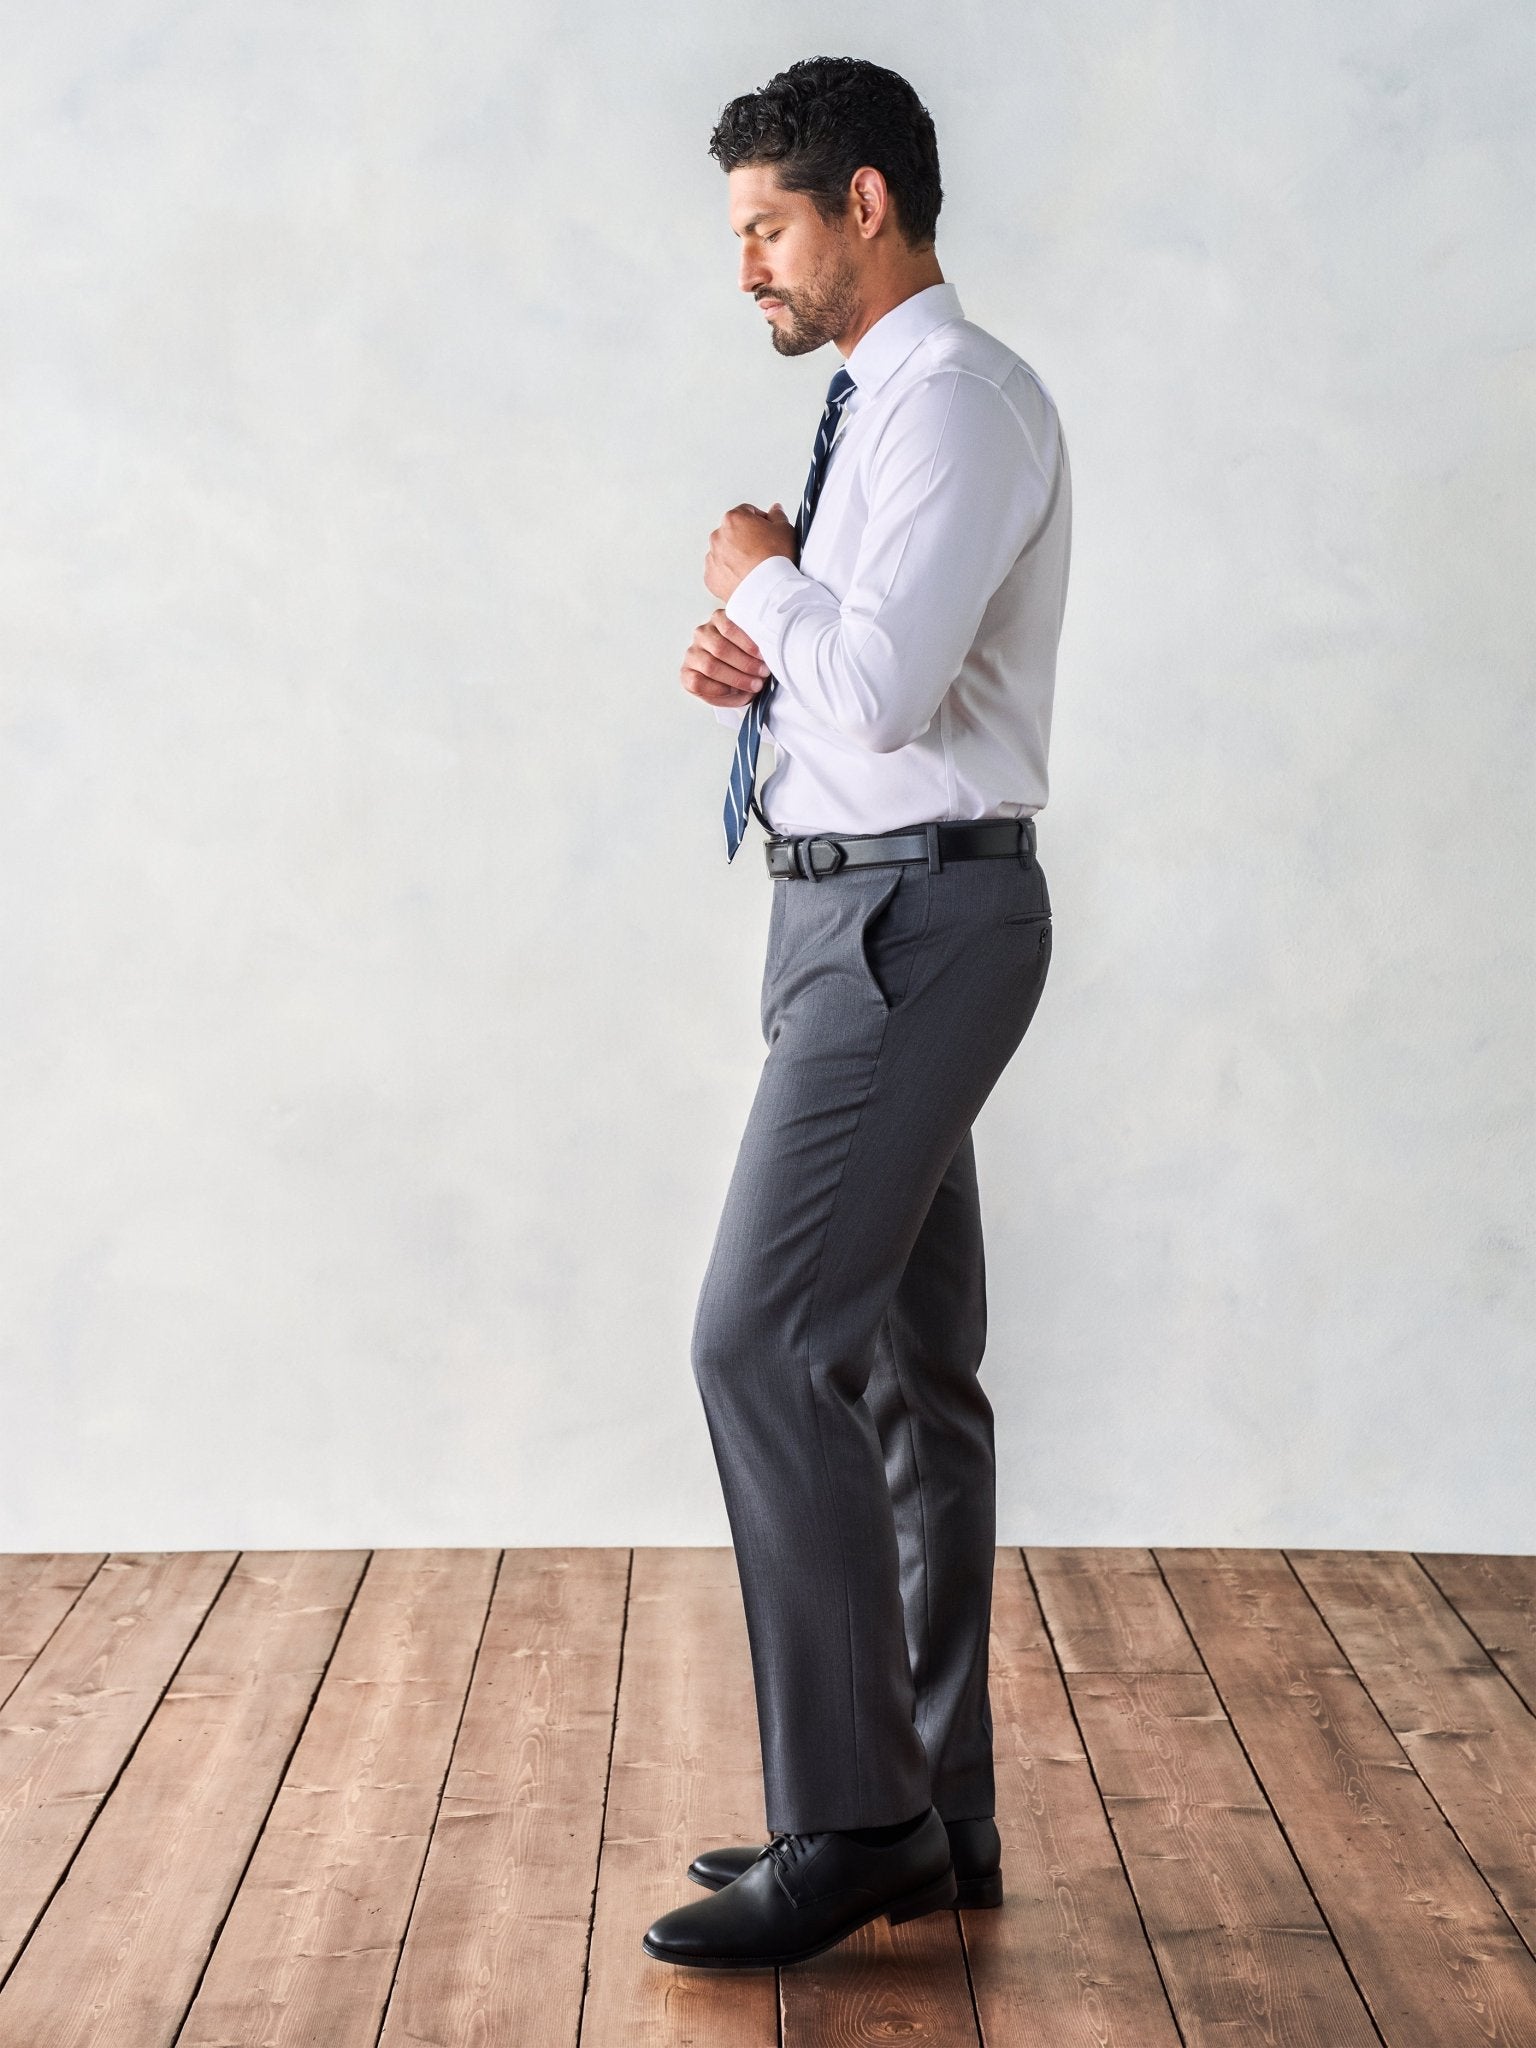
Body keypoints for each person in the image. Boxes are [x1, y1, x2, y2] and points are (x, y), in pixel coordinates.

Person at [645, 54, 1071, 1971]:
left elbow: (890, 691)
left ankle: (854, 1819)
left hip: (918, 922)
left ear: (868, 204)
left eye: (767, 227)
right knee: (903, 1376)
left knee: (759, 1340)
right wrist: (763, 662)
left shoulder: (959, 404)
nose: (749, 265)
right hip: (854, 921)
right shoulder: (875, 409)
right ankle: (942, 1809)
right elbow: (852, 683)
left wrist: (775, 577)